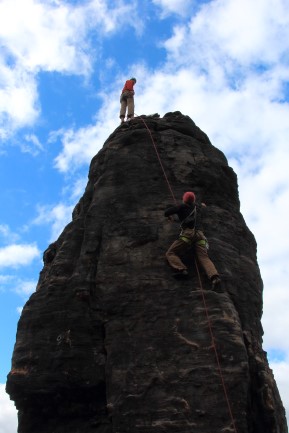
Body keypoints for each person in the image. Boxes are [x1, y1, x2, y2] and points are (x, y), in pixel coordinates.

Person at [164, 191, 221, 290]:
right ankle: (214, 277)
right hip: (200, 236)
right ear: (193, 200)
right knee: (204, 258)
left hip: (188, 235)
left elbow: (166, 212)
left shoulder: (181, 207)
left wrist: (170, 216)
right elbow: (203, 206)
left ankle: (182, 269)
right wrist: (202, 205)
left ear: (184, 199)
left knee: (170, 253)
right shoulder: (198, 207)